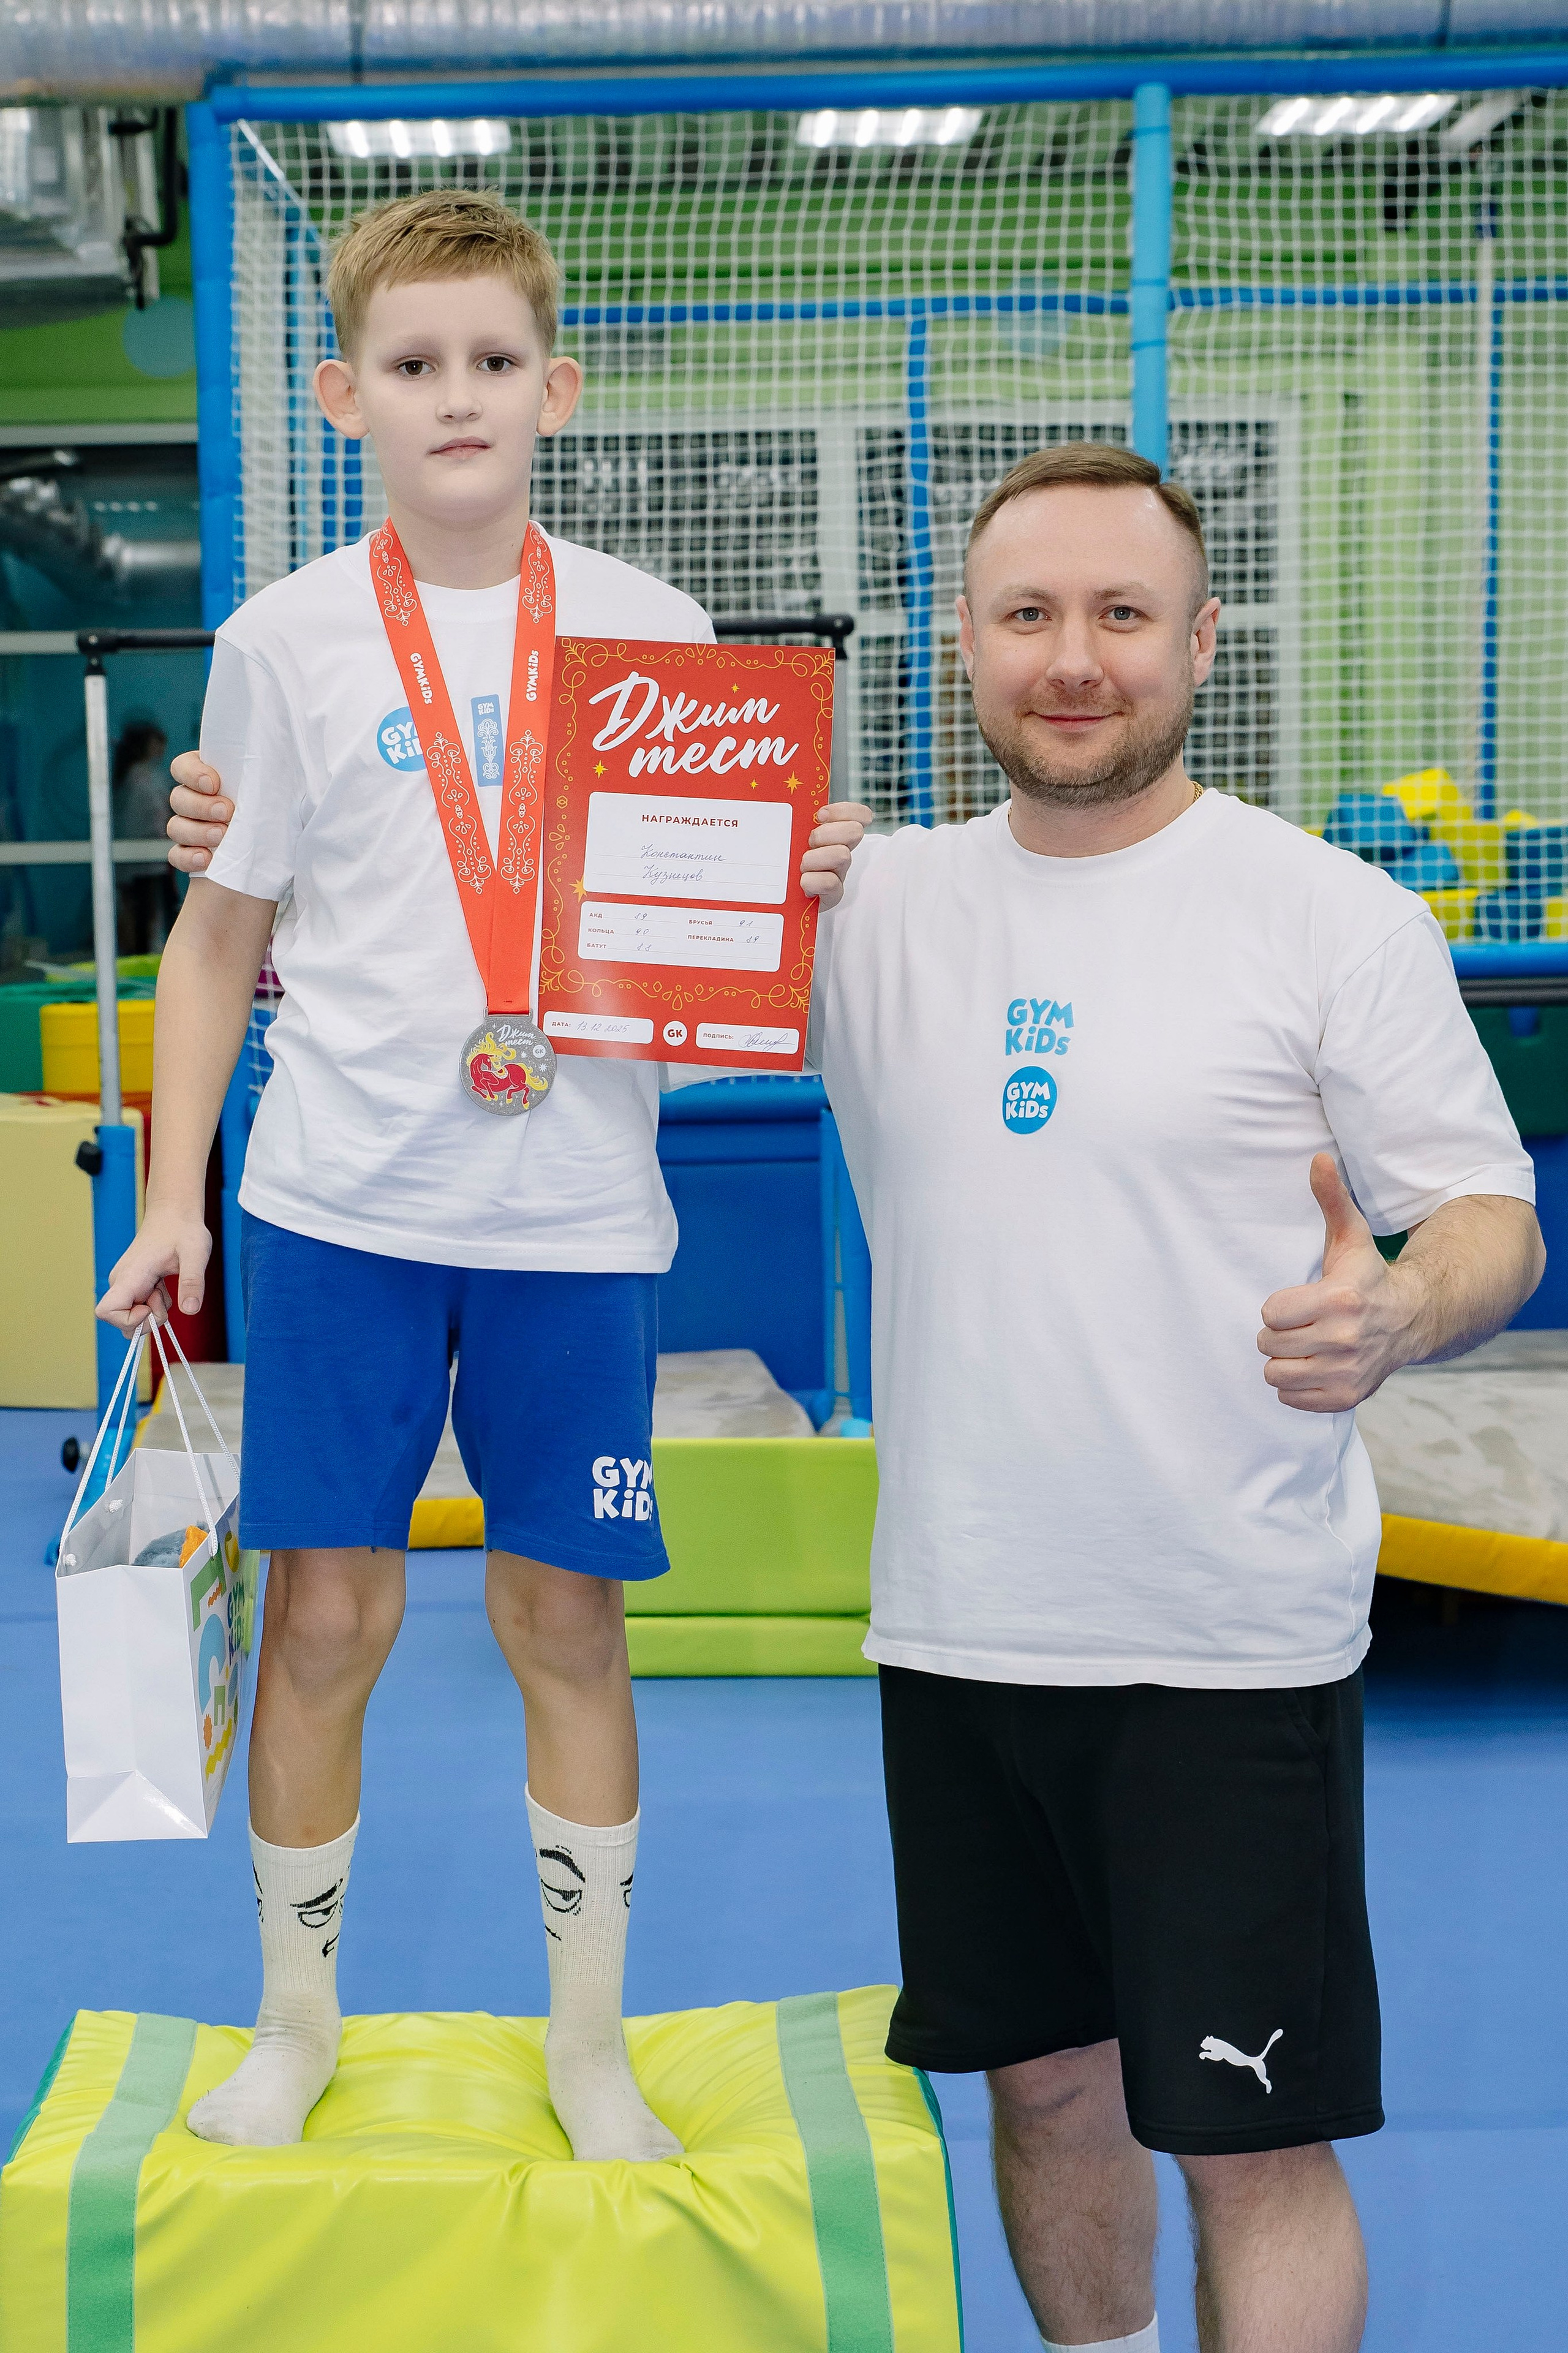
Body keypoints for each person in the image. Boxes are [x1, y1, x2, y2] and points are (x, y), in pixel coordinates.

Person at [169, 447, 1540, 2344]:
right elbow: (526, 910)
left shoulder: (1324, 916)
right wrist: (255, 818)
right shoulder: (866, 900)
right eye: (1028, 616)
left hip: (1225, 1644)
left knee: (1248, 2142)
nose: (1075, 659)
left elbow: (1485, 1213)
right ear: (963, 647)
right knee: (1042, 2089)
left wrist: (1393, 1306)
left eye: (1122, 615)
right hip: (962, 1634)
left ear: (1202, 642)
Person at [104, 188, 862, 2163]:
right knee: (326, 1612)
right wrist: (170, 1197)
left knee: (568, 1619)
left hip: (573, 1215)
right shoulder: (281, 637)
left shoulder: (653, 631)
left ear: (557, 384)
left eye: (494, 361)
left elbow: (698, 928)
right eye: (417, 364)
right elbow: (212, 935)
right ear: (346, 391)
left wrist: (772, 885)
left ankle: (590, 2042)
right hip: (337, 1205)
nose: (459, 396)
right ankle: (292, 2021)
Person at [112, 720, 178, 951]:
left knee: (151, 913)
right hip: (144, 859)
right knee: (146, 916)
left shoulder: (147, 776)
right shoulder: (140, 779)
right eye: (157, 743)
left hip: (153, 858)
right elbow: (150, 818)